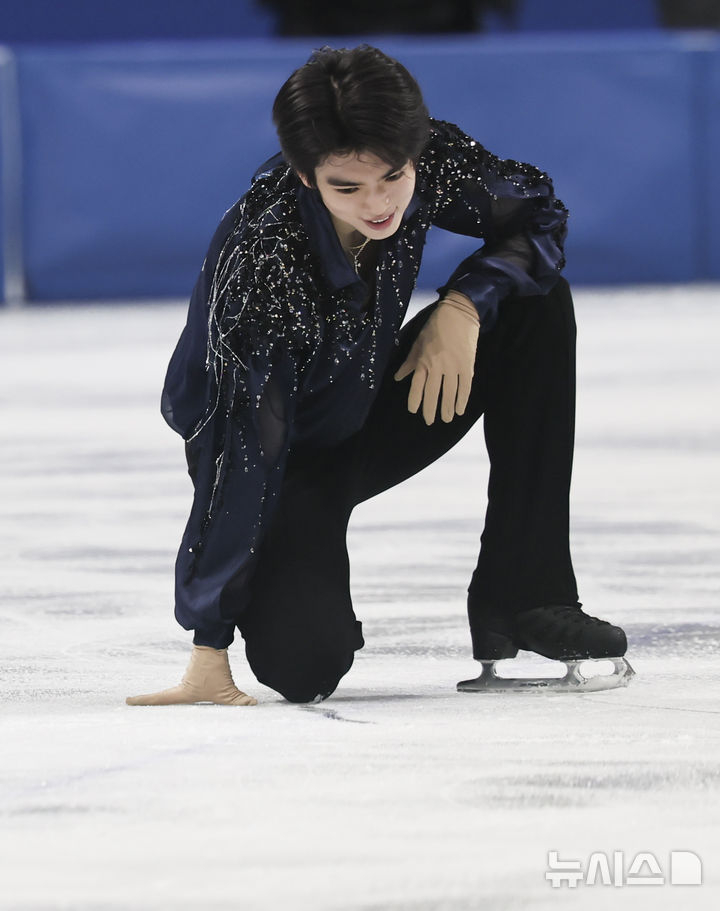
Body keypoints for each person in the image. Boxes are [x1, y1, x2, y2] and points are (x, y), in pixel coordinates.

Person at [126, 44, 628, 707]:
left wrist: (463, 305)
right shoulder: (264, 258)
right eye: (347, 187)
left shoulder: (425, 157)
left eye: (393, 176)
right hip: (282, 458)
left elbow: (537, 214)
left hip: (372, 405)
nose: (378, 203)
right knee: (304, 666)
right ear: (306, 176)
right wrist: (208, 640)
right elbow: (240, 451)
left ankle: (526, 592)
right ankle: (289, 604)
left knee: (535, 300)